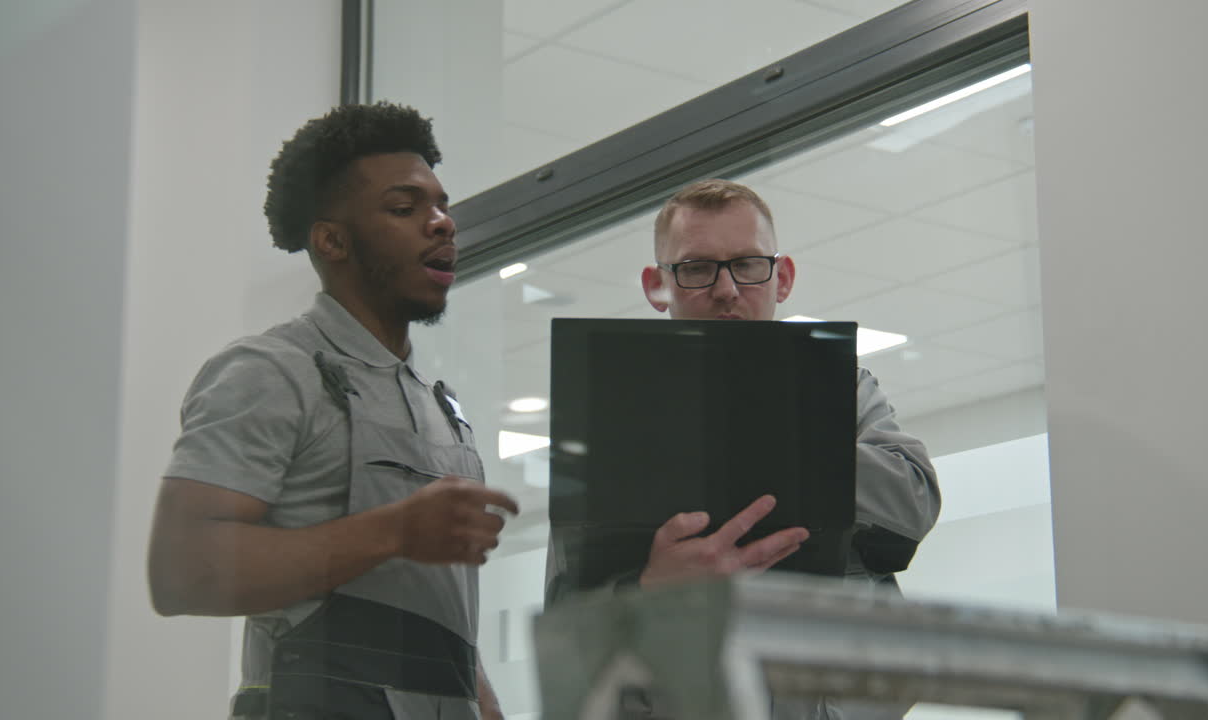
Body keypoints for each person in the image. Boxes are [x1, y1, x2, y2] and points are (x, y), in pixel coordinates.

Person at [147, 102, 519, 720]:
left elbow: (439, 625)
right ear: (331, 239)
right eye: (405, 209)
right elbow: (181, 570)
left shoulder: (440, 406)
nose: (442, 224)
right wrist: (396, 532)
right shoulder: (269, 372)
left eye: (441, 205)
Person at [545, 178, 939, 720]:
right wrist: (650, 588)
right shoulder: (608, 423)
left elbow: (913, 503)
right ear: (658, 286)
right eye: (697, 268)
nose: (727, 289)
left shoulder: (842, 387)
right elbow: (569, 628)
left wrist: (782, 427)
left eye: (748, 265)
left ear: (783, 278)